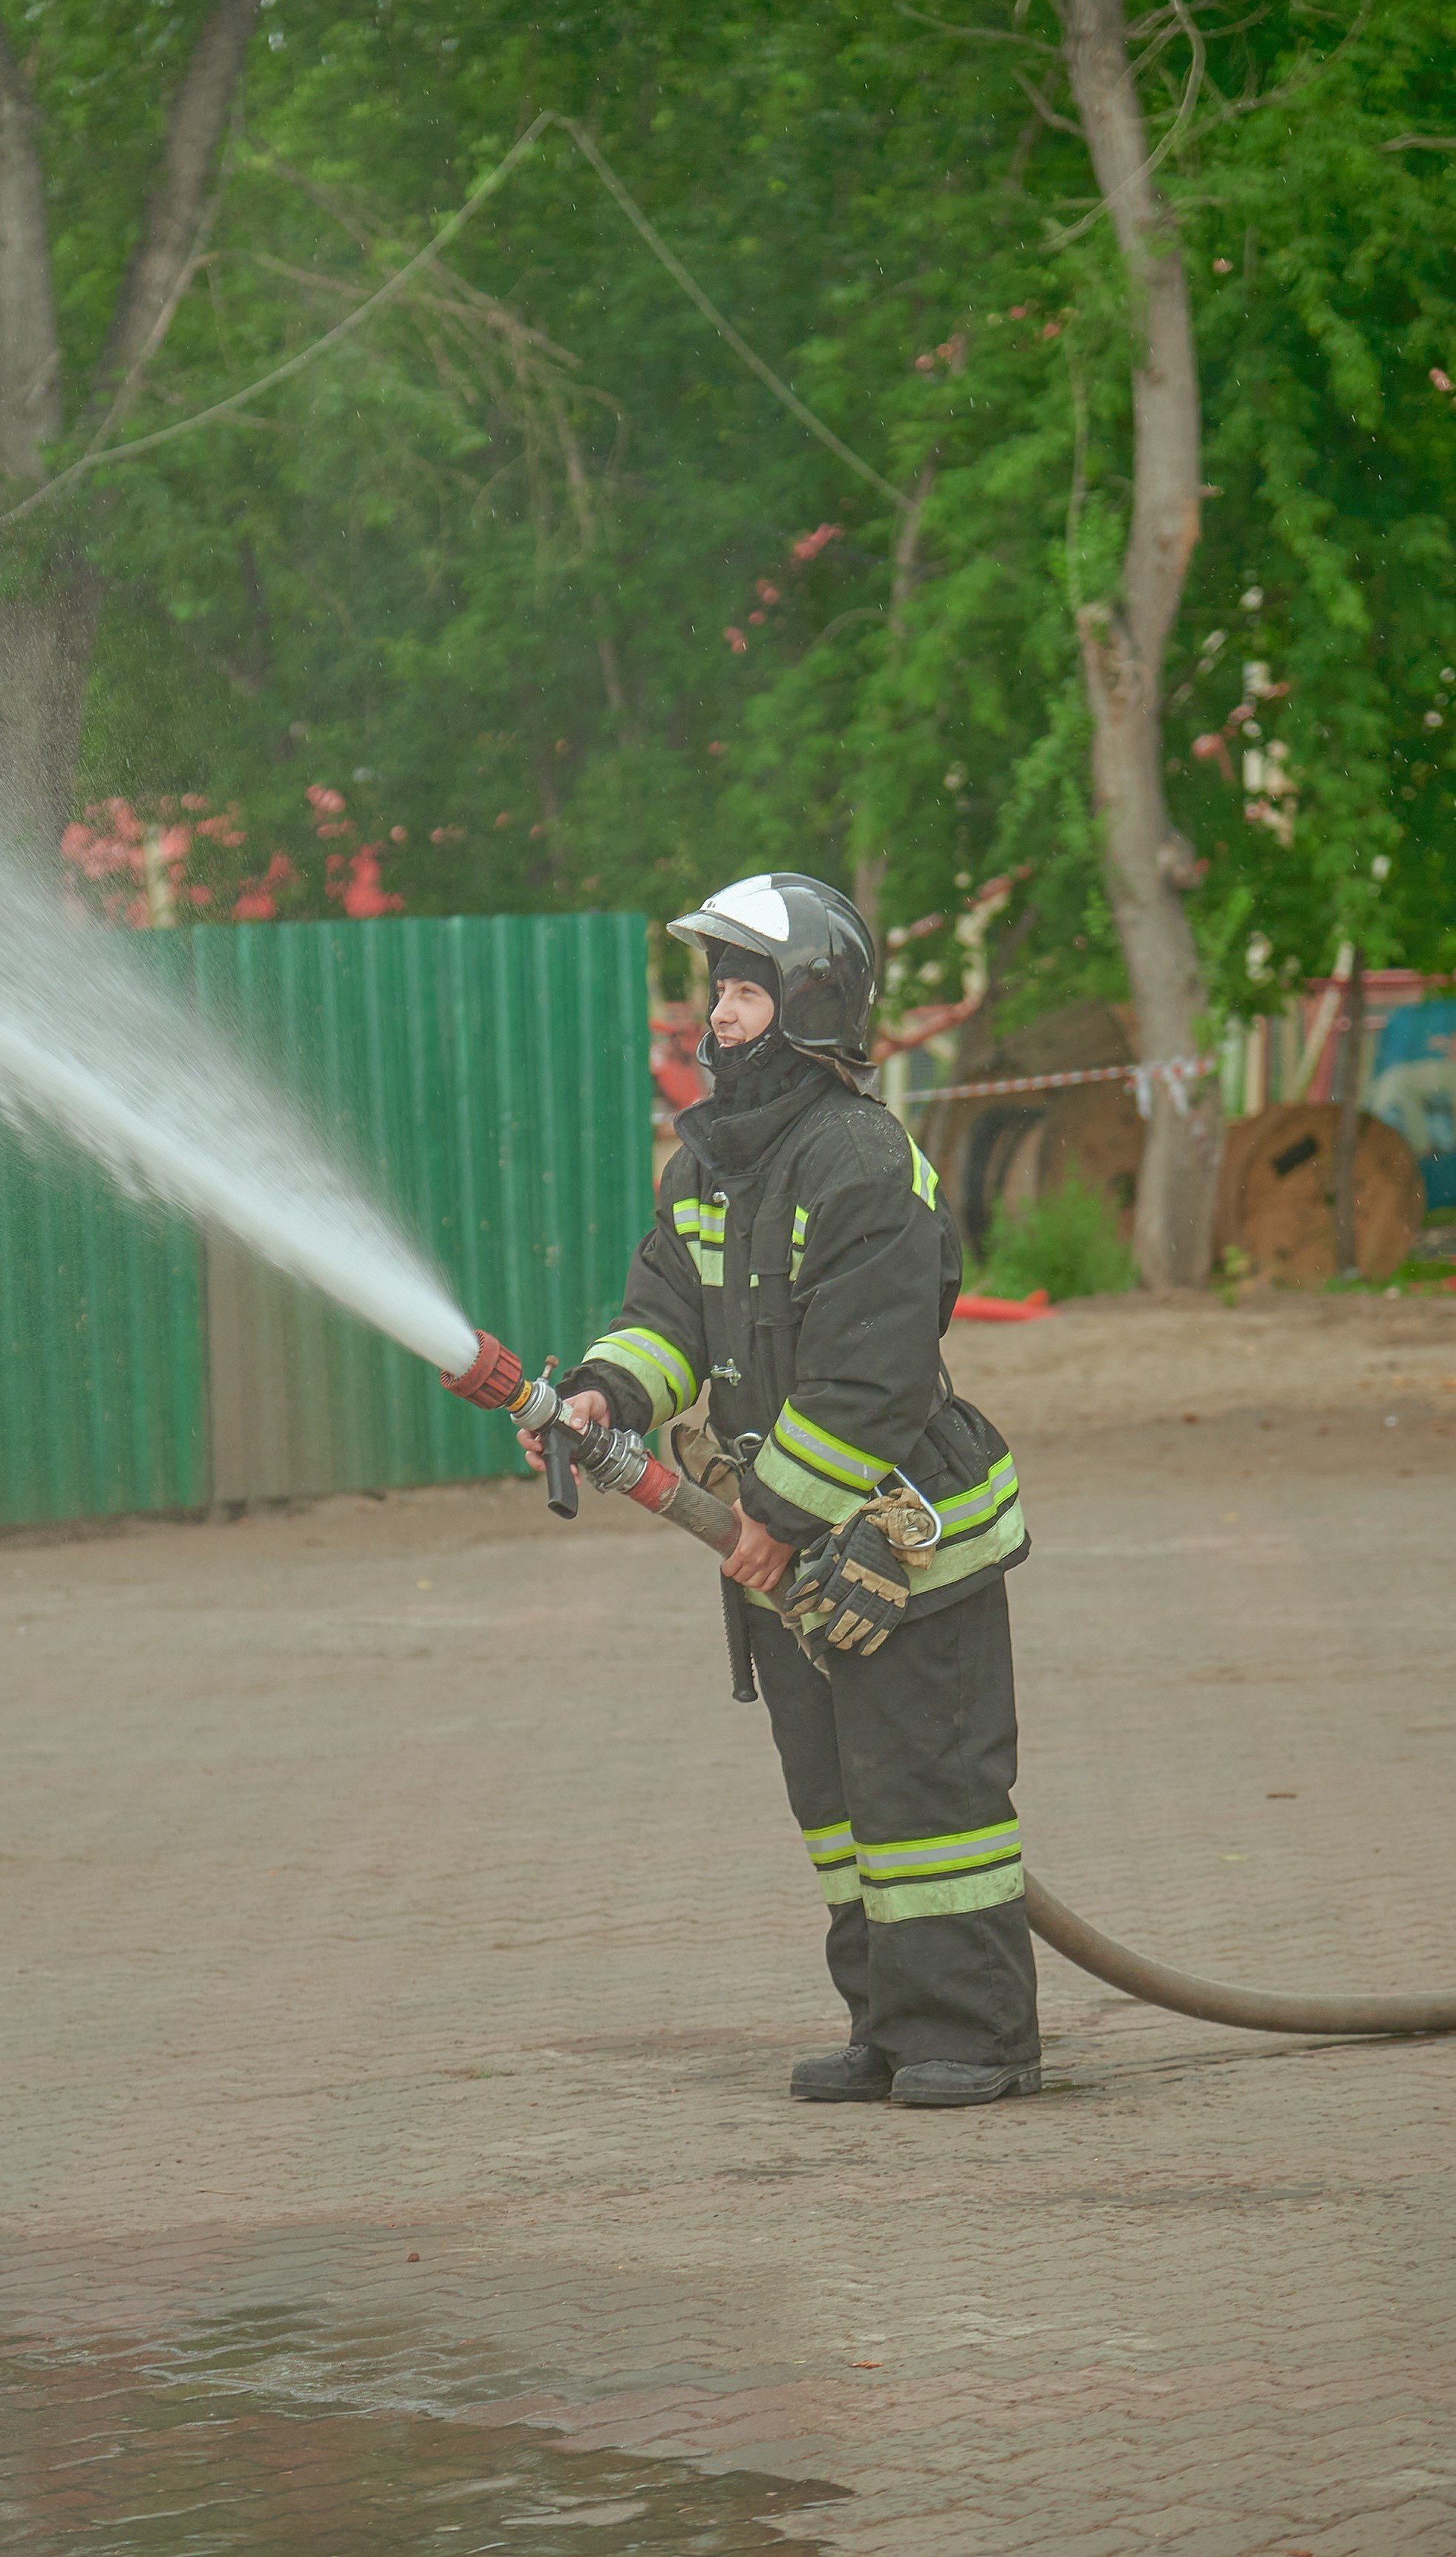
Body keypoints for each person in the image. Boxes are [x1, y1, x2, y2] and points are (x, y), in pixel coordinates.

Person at [523, 873, 1039, 2108]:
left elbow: (873, 1376)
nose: (722, 1021)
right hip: (797, 1542)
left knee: (931, 1805)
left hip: (897, 1537)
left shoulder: (859, 1158)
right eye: (720, 995)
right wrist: (605, 1393)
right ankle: (890, 2025)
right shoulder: (710, 1169)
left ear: (809, 1003)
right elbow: (669, 1317)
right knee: (844, 1807)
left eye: (746, 992)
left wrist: (775, 1517)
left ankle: (980, 2037)